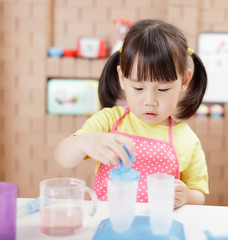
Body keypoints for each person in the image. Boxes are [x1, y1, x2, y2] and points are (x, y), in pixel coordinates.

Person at [55, 19, 209, 209]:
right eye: (138, 87)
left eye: (162, 89)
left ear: (184, 80)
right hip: (109, 224)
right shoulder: (109, 121)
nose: (149, 101)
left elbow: (199, 194)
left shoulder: (187, 139)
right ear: (122, 78)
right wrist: (85, 142)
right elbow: (62, 157)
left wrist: (187, 197)